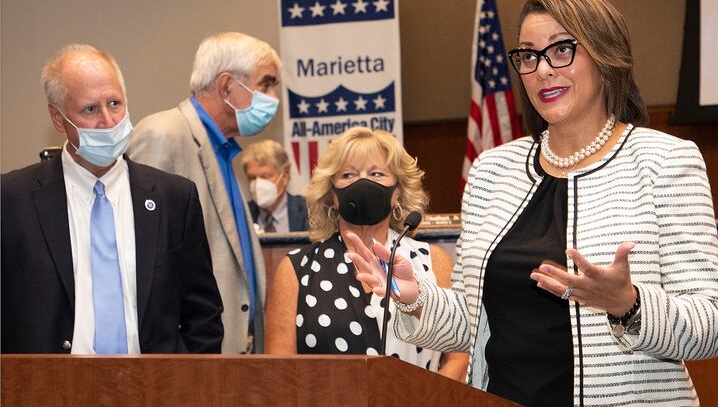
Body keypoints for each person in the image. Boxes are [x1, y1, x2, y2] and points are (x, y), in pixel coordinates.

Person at [348, 0, 718, 406]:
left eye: (562, 49)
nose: (543, 70)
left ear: (606, 58)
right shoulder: (492, 170)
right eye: (529, 56)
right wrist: (416, 297)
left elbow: (712, 326)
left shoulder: (665, 161)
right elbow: (470, 325)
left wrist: (629, 304)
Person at [1, 44, 223, 354]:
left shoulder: (174, 197)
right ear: (58, 118)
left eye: (115, 103)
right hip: (49, 390)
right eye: (90, 109)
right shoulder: (12, 201)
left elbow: (203, 316)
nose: (109, 121)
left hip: (153, 391)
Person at [264, 127, 469, 381]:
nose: (363, 183)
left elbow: (459, 358)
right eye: (348, 174)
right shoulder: (296, 269)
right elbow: (279, 374)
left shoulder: (433, 261)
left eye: (377, 174)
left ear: (397, 193)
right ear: (332, 195)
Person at [128, 32, 281, 354]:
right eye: (266, 84)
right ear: (227, 85)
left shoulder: (224, 151)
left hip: (234, 351)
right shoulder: (164, 136)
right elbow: (148, 266)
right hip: (193, 358)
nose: (273, 97)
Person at [241, 140, 308, 233]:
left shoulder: (308, 211)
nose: (257, 184)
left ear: (285, 176)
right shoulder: (241, 215)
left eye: (265, 177)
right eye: (252, 178)